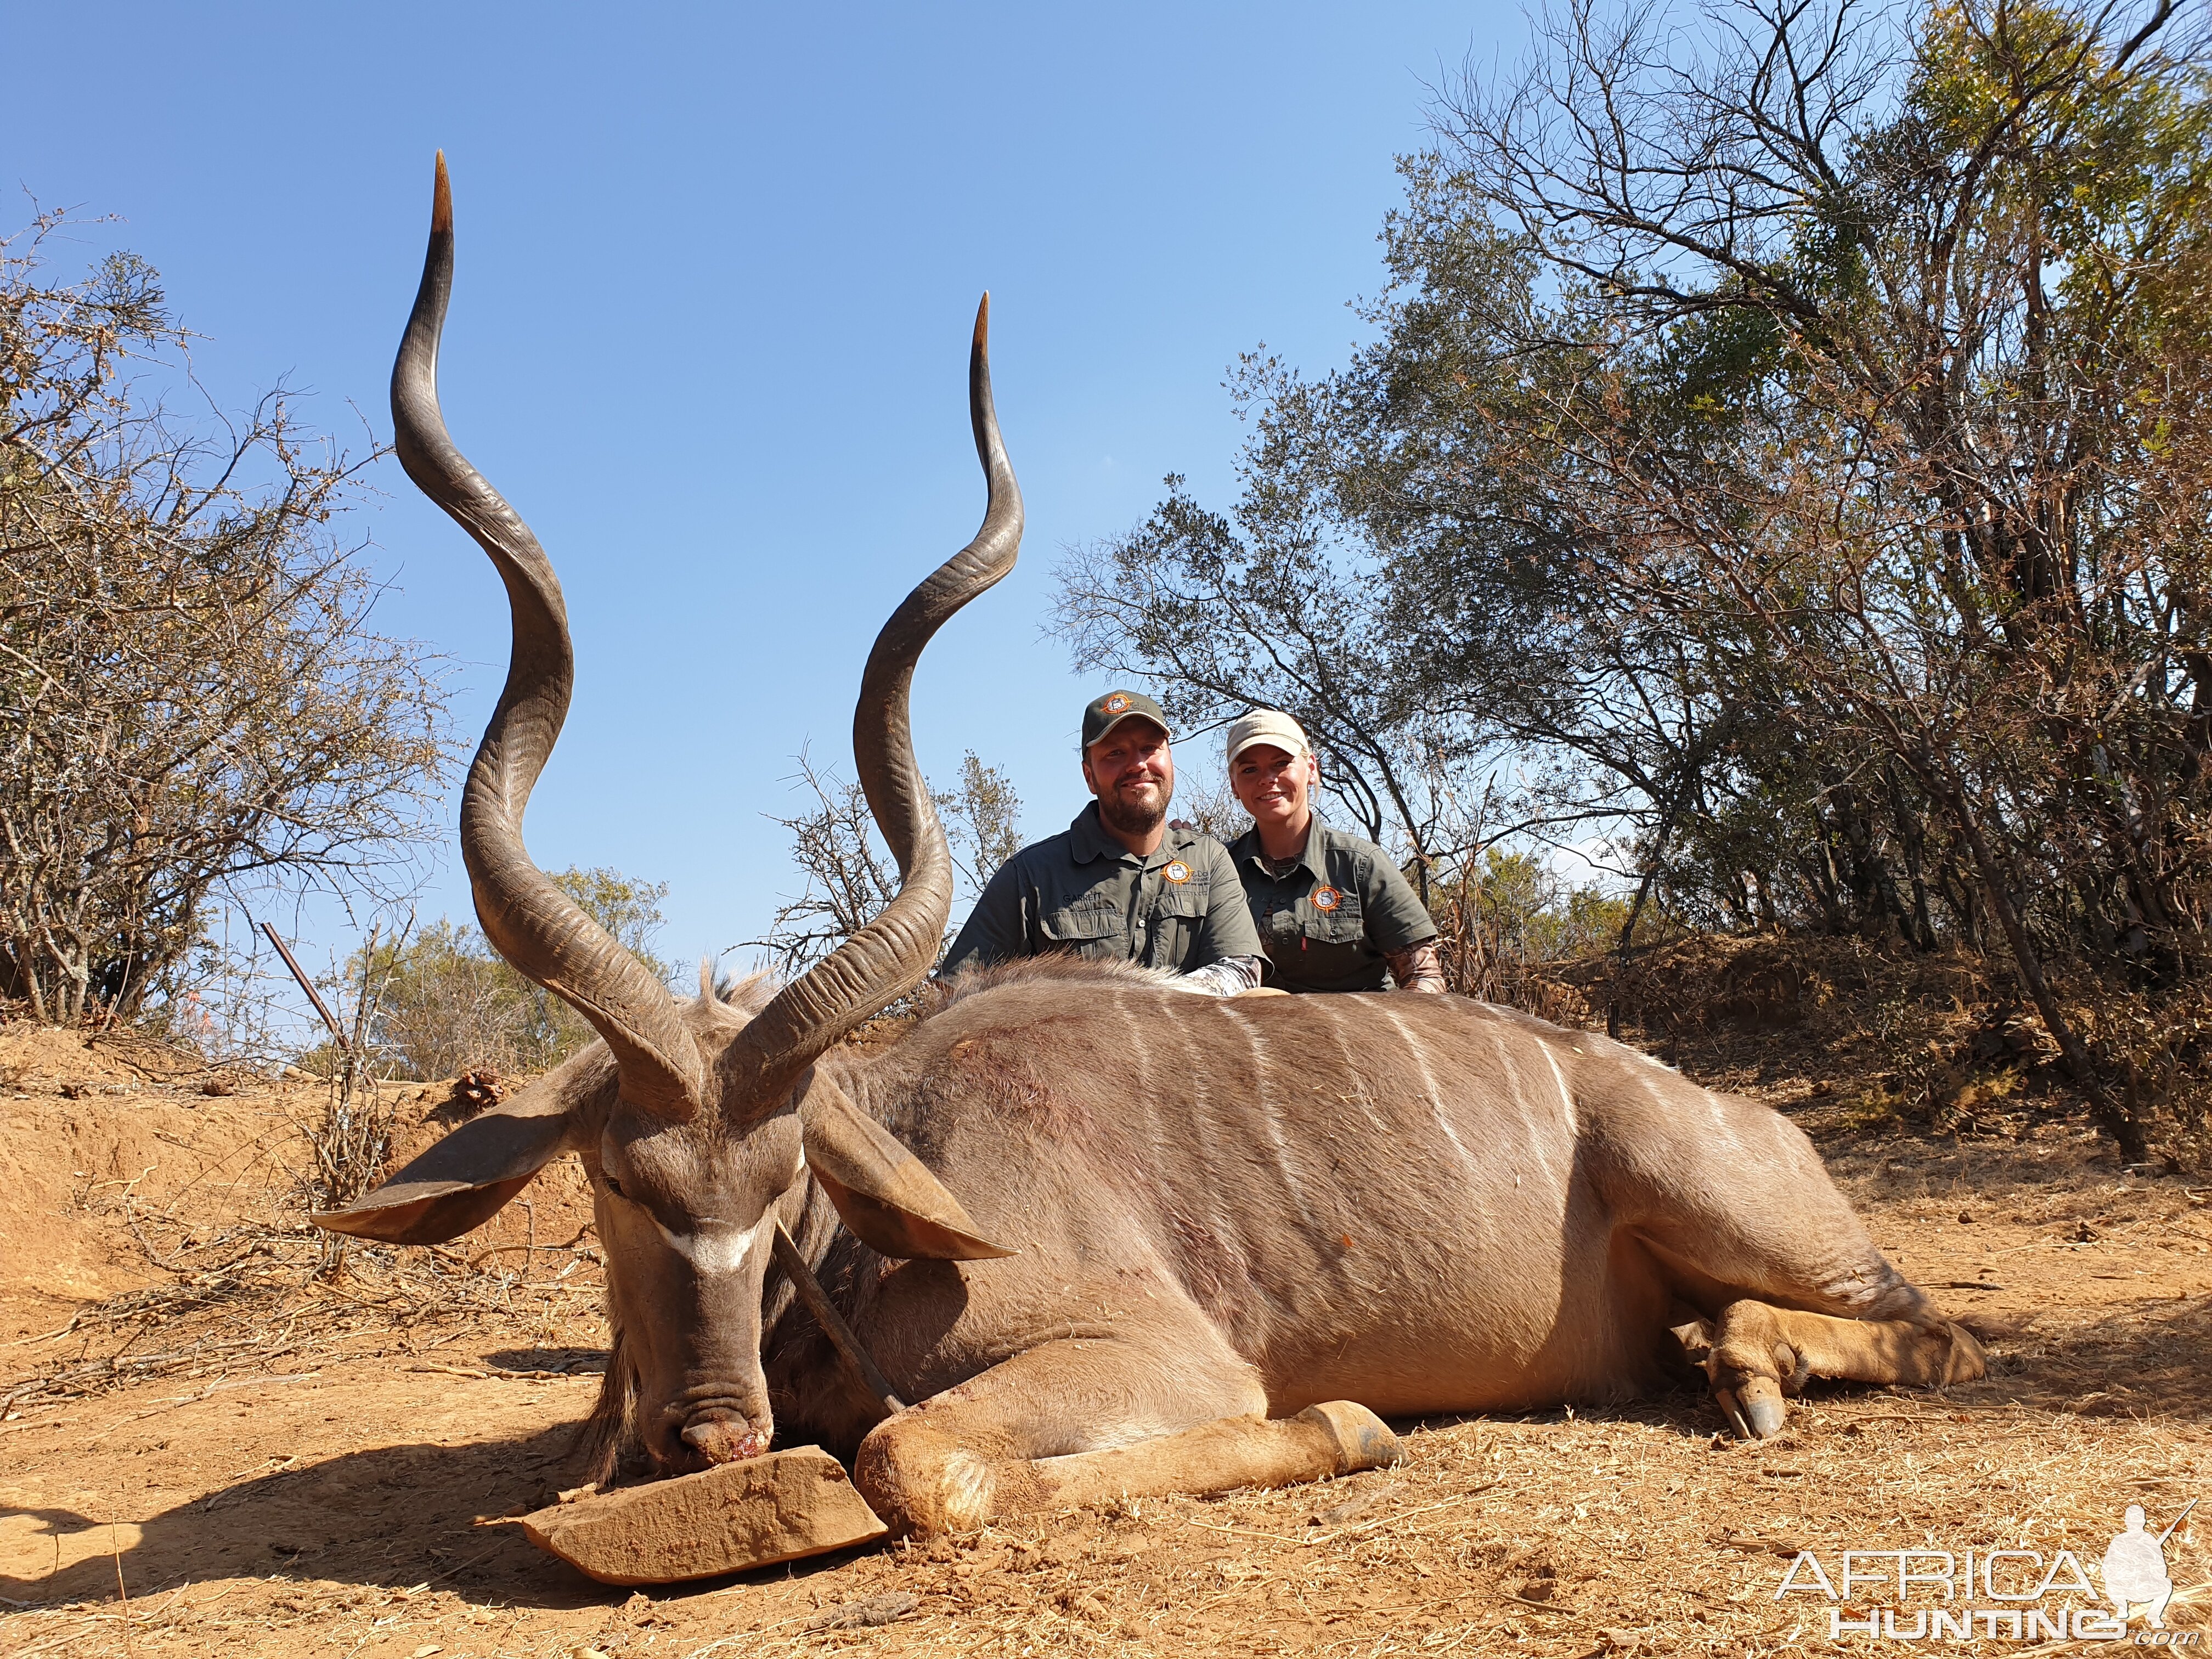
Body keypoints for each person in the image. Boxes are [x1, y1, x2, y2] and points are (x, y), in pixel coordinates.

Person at [942, 690, 1267, 995]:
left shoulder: (1208, 859)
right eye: (1115, 753)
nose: (1137, 764)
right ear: (1089, 776)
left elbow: (1242, 968)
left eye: (1150, 748)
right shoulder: (1030, 875)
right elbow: (959, 991)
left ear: (1170, 760)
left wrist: (1144, 1008)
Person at [1224, 709, 1446, 994]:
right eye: (1249, 770)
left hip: (1359, 1032)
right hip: (1252, 1034)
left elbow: (1425, 976)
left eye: (1281, 764)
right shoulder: (1220, 867)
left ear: (1311, 769)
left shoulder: (1362, 864)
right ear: (1234, 785)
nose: (1267, 779)